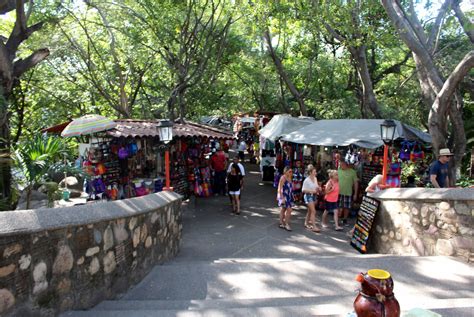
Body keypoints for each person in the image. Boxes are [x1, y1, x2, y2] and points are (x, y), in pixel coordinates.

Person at [338, 159, 358, 226]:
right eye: (340, 165)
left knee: (346, 207)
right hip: (338, 192)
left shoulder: (352, 172)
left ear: (346, 164)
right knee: (338, 206)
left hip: (348, 192)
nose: (341, 166)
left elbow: (355, 183)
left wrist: (355, 193)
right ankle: (337, 219)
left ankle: (344, 219)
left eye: (342, 164)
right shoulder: (338, 171)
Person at [302, 165, 321, 232]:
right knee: (313, 211)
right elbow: (303, 190)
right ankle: (314, 226)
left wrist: (318, 188)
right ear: (310, 172)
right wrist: (311, 191)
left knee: (310, 211)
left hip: (314, 196)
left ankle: (306, 223)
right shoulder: (306, 180)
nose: (316, 173)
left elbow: (316, 186)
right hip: (308, 196)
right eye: (314, 172)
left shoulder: (315, 178)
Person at [277, 166, 294, 231]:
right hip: (284, 196)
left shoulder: (289, 177)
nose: (291, 173)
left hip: (289, 196)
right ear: (285, 171)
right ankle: (286, 224)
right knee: (289, 210)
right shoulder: (283, 178)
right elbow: (280, 188)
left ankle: (281, 223)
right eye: (290, 171)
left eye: (291, 171)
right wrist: (282, 198)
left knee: (283, 209)